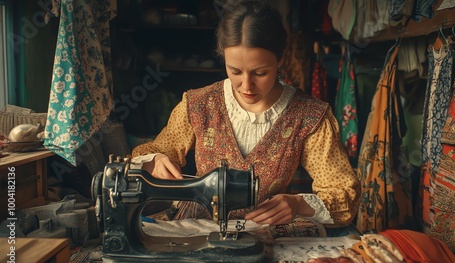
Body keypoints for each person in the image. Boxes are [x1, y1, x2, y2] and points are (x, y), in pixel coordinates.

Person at [131, 0, 360, 227]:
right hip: (195, 231)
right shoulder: (198, 104)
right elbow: (153, 151)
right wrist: (156, 160)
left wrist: (298, 204)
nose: (246, 86)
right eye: (235, 71)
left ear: (280, 59)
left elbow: (343, 194)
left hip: (266, 238)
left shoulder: (309, 116)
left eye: (260, 72)